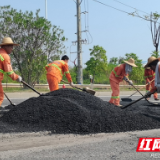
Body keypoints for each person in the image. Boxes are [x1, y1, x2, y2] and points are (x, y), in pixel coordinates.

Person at [0, 37, 22, 108]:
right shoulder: (5, 56)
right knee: (0, 97)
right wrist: (17, 78)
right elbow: (10, 73)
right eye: (10, 46)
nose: (12, 48)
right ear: (5, 46)